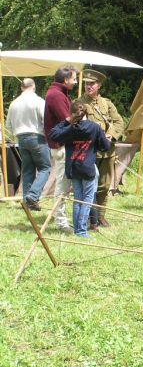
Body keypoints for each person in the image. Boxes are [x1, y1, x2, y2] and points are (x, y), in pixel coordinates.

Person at [49, 101, 111, 238]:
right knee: (86, 200)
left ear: (72, 114)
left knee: (78, 199)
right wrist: (107, 139)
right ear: (86, 113)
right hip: (88, 168)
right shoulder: (95, 127)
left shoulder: (70, 129)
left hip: (73, 168)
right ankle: (81, 230)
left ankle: (78, 229)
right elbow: (105, 147)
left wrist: (67, 121)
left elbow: (53, 134)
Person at [77, 69, 124, 228]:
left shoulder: (107, 103)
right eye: (86, 84)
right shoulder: (79, 103)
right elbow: (75, 125)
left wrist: (110, 134)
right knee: (88, 185)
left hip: (107, 151)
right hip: (88, 151)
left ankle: (101, 215)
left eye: (92, 84)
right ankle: (90, 217)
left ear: (99, 86)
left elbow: (119, 122)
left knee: (104, 185)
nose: (88, 86)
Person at [6, 78, 51, 210]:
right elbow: (46, 121)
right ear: (34, 86)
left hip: (21, 139)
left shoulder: (14, 103)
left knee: (27, 171)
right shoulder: (38, 101)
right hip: (37, 137)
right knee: (45, 168)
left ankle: (27, 202)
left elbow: (8, 125)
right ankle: (32, 195)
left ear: (21, 88)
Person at [44, 66, 78, 232]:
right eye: (74, 78)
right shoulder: (56, 95)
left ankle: (63, 220)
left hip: (63, 145)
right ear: (66, 80)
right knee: (62, 187)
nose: (76, 81)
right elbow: (69, 120)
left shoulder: (58, 93)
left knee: (64, 185)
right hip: (61, 146)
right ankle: (61, 223)